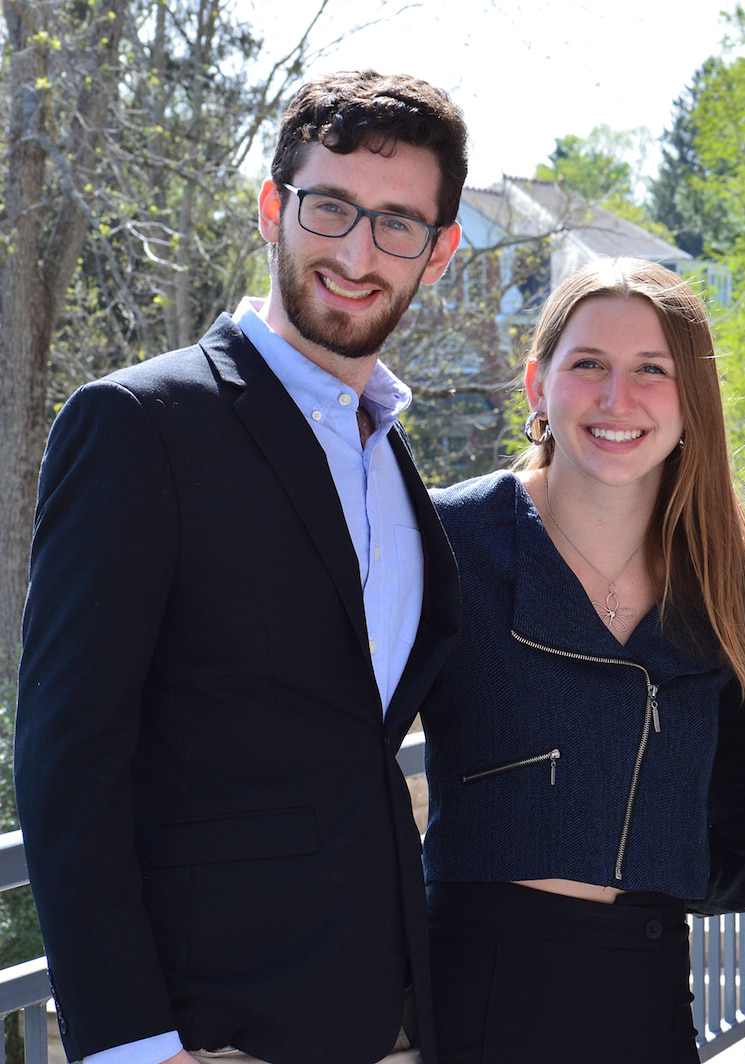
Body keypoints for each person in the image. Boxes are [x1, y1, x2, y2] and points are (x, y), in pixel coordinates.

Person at [15, 71, 469, 1064]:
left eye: (398, 224)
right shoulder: (139, 425)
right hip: (208, 1030)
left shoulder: (389, 451)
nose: (357, 252)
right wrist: (132, 1042)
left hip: (388, 1014)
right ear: (274, 206)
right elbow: (67, 760)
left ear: (439, 252)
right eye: (331, 207)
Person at [418, 257, 745, 1064]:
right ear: (537, 384)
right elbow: (347, 766)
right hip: (477, 983)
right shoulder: (450, 539)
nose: (618, 399)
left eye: (652, 370)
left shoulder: (728, 564)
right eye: (589, 365)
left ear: (693, 399)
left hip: (647, 982)